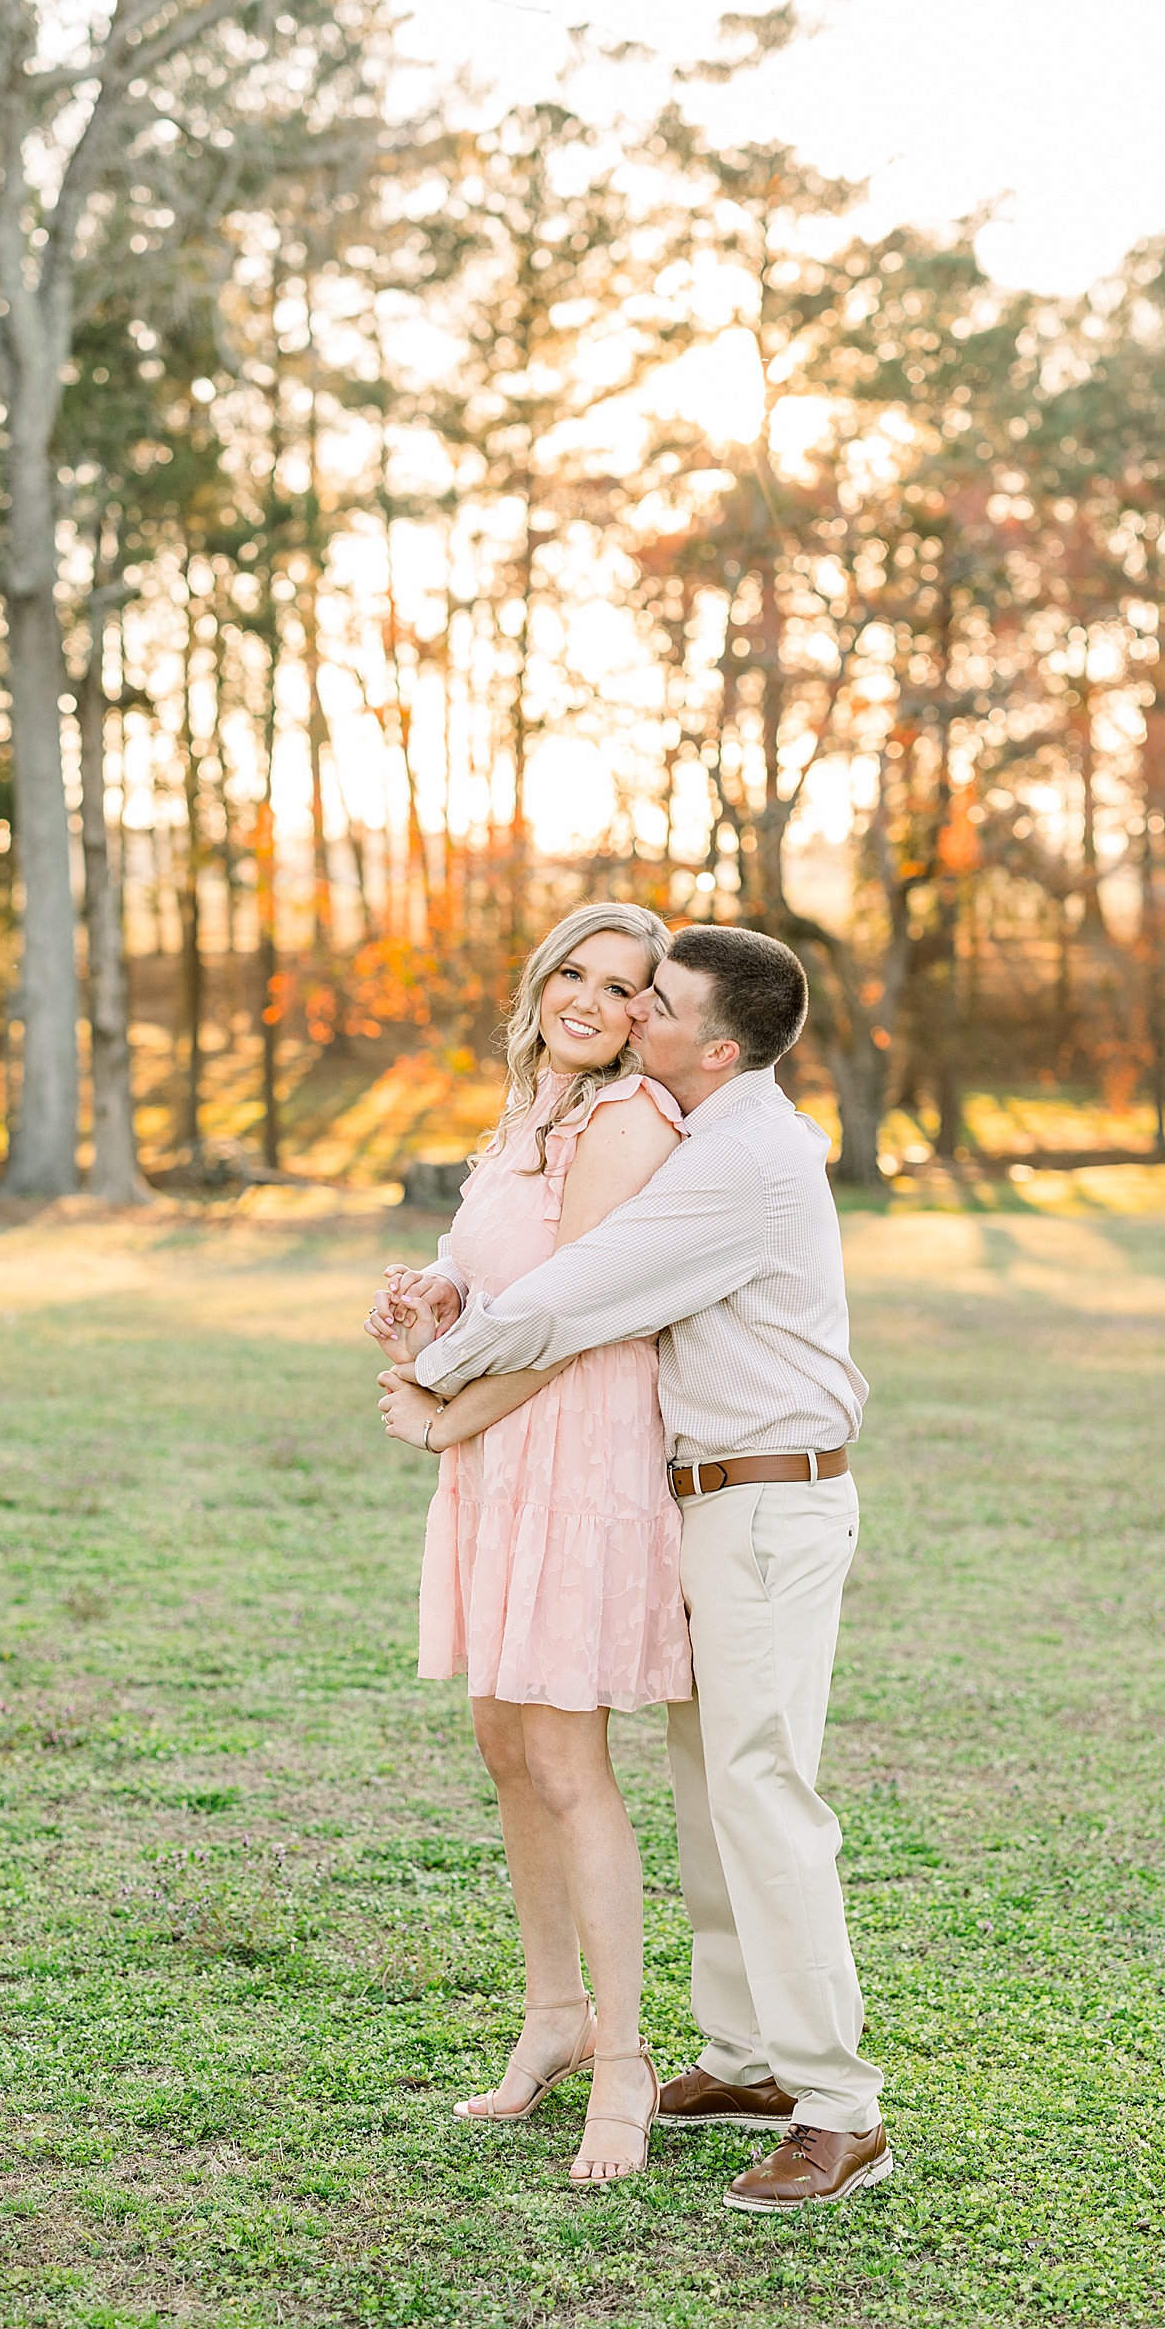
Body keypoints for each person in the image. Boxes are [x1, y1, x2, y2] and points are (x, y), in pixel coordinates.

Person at [385, 925, 889, 2215]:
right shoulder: (707, 1126)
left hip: (770, 1501)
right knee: (714, 1784)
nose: (629, 1016)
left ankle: (838, 2103)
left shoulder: (738, 1155)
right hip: (713, 1497)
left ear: (714, 1044)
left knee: (767, 1793)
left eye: (652, 1002)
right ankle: (747, 2058)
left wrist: (438, 1393)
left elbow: (582, 1291)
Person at [366, 902, 689, 2187]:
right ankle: (551, 2013)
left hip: (572, 1446)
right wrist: (433, 1299)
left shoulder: (622, 1121)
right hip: (504, 1446)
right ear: (545, 978)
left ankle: (626, 2057)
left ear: (645, 1020)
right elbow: (496, 1278)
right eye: (577, 971)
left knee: (564, 1748)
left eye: (624, 990)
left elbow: (575, 1318)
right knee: (503, 1736)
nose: (591, 1000)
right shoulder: (525, 1111)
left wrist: (448, 1409)